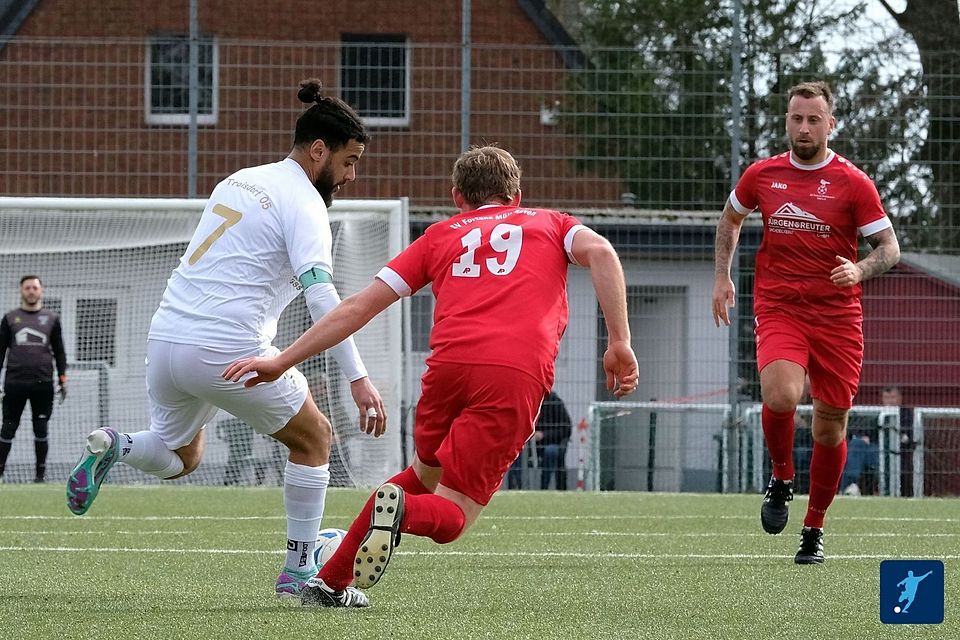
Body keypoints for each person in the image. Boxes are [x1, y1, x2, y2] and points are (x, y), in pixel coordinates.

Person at [223, 144, 639, 607]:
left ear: (457, 196)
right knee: (453, 514)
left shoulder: (441, 235)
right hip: (511, 374)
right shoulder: (551, 223)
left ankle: (330, 581)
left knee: (419, 476)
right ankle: (400, 513)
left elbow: (358, 307)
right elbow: (602, 251)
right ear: (516, 194)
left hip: (446, 371)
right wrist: (618, 340)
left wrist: (282, 360)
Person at [65, 78, 385, 603]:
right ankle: (300, 574)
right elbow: (324, 300)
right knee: (316, 438)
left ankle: (115, 446)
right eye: (349, 161)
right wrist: (358, 378)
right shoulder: (304, 203)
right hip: (226, 348)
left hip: (167, 338)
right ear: (319, 150)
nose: (351, 175)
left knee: (181, 455)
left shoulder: (240, 179)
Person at [712, 81, 901, 564]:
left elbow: (889, 248)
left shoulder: (853, 183)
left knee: (830, 424)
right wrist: (722, 277)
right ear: (787, 121)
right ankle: (781, 476)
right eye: (796, 118)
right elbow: (731, 219)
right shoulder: (763, 174)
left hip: (838, 317)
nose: (803, 127)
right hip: (780, 307)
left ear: (830, 124)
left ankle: (813, 528)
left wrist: (858, 269)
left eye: (813, 119)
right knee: (779, 395)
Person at [0, 275, 68, 483]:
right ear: (21, 291)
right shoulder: (10, 318)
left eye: (35, 288)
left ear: (41, 291)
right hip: (14, 383)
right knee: (8, 427)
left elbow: (59, 351)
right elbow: (0, 351)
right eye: (27, 287)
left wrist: (62, 378)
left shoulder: (51, 319)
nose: (31, 291)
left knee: (41, 428)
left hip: (43, 384)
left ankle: (40, 476)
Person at [535, 389, 573, 490]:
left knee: (550, 451)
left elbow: (566, 428)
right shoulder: (528, 400)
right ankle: (517, 486)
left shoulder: (554, 401)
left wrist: (543, 435)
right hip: (530, 445)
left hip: (553, 442)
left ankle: (545, 488)